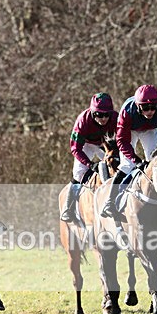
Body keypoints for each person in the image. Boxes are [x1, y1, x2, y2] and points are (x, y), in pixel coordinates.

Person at [100, 84, 157, 218]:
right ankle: (110, 202)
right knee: (127, 165)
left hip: (150, 130)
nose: (150, 111)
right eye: (145, 108)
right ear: (138, 106)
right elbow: (122, 142)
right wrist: (136, 160)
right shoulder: (127, 113)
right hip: (130, 131)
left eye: (153, 107)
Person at [60, 93, 118, 222]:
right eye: (99, 115)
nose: (103, 118)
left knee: (119, 166)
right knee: (79, 173)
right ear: (92, 113)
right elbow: (75, 149)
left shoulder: (115, 118)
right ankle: (68, 208)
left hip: (104, 144)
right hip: (85, 144)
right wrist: (90, 164)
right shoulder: (82, 121)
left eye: (106, 114)